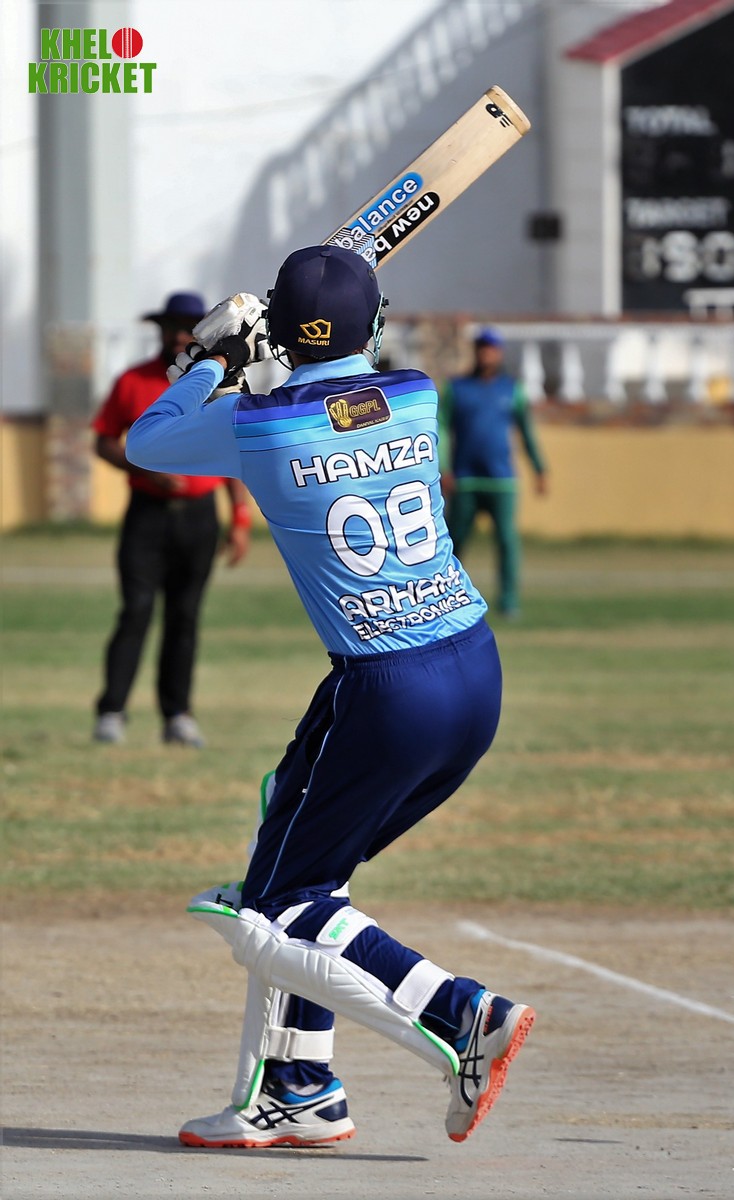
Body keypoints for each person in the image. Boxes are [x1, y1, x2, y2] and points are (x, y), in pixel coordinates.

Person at [125, 246, 534, 1149]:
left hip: (388, 690)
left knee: (275, 910)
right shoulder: (416, 396)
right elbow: (343, 397)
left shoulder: (258, 425)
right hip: (470, 667)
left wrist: (214, 361)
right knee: (299, 843)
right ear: (375, 326)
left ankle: (463, 1014)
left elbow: (146, 442)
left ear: (281, 332)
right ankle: (298, 1088)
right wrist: (265, 358)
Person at [91, 291, 252, 748]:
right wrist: (145, 470)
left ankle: (177, 715)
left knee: (185, 616)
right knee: (136, 610)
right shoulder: (134, 381)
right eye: (173, 327)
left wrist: (239, 517)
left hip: (199, 517)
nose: (180, 336)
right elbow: (104, 440)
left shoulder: (217, 385)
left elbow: (231, 453)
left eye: (188, 328)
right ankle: (112, 711)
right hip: (147, 513)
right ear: (161, 331)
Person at [438, 328, 547, 618]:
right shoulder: (457, 389)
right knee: (454, 542)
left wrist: (539, 468)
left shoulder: (512, 389)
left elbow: (526, 432)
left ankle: (508, 602)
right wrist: (444, 468)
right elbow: (442, 430)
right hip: (465, 479)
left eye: (492, 348)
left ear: (499, 353)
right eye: (482, 348)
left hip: (502, 479)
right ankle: (447, 599)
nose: (486, 353)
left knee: (507, 542)